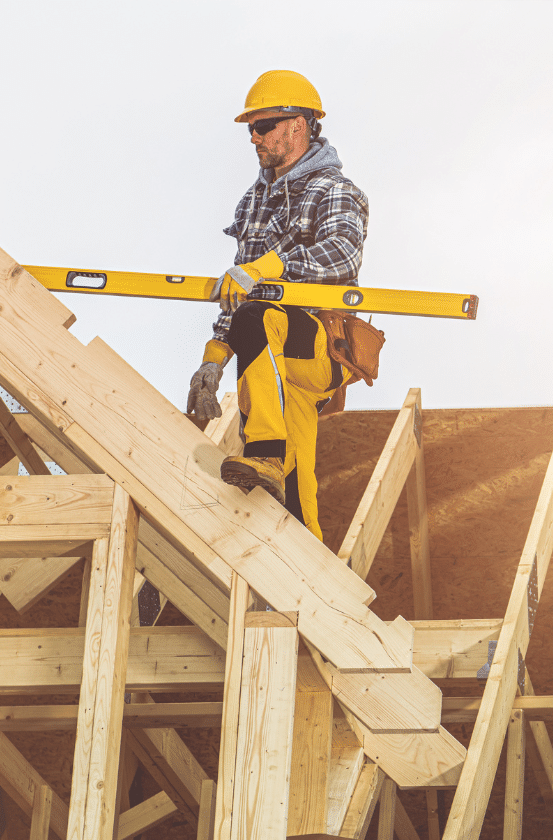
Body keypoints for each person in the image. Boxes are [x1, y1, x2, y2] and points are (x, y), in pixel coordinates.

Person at [186, 70, 369, 541]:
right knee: (292, 493)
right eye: (252, 128)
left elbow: (342, 256)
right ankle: (313, 568)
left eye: (264, 126)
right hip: (270, 361)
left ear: (298, 125)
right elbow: (239, 287)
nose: (254, 137)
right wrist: (213, 358)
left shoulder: (335, 190)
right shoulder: (253, 203)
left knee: (257, 315)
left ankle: (265, 448)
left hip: (318, 347)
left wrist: (268, 267)